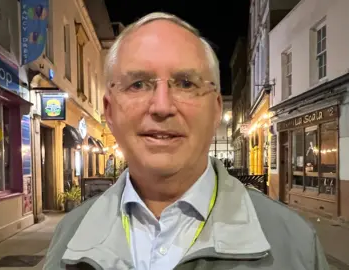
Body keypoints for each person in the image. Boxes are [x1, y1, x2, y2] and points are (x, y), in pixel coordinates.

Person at [43, 12, 329, 270]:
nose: (162, 106)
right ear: (109, 111)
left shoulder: (293, 243)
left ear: (216, 108)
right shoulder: (70, 236)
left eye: (186, 84)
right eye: (138, 84)